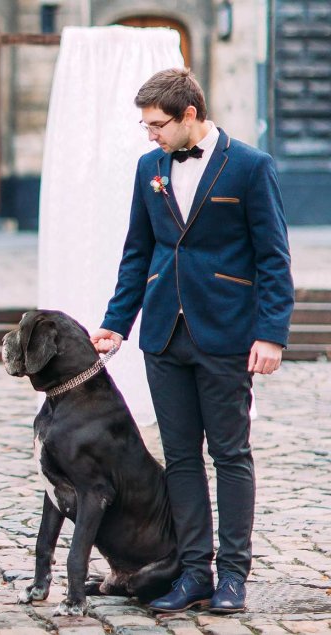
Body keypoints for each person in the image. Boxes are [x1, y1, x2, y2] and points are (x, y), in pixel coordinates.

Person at [90, 68, 293, 614]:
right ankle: (193, 571)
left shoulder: (250, 166)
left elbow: (274, 258)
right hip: (163, 334)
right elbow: (138, 251)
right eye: (145, 125)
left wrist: (271, 334)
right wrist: (117, 322)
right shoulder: (149, 168)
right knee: (179, 458)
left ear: (189, 116)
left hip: (226, 332)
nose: (149, 134)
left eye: (157, 125)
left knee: (230, 455)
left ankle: (233, 575)